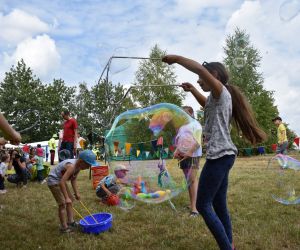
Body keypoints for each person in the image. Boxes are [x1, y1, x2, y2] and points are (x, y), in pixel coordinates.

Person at [162, 55, 266, 250]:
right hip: (224, 155)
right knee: (219, 204)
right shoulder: (215, 97)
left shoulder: (220, 90)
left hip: (219, 157)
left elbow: (200, 70)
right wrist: (192, 90)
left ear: (214, 75)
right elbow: (205, 105)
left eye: (201, 80)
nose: (199, 81)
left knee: (202, 205)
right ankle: (230, 245)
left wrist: (175, 58)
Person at [47, 150, 99, 233]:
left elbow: (73, 179)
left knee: (71, 200)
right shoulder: (71, 166)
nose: (88, 167)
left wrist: (76, 193)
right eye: (88, 165)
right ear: (81, 162)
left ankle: (70, 222)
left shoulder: (78, 167)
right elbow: (62, 182)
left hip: (60, 180)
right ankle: (64, 228)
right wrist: (66, 197)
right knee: (63, 203)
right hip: (54, 180)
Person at [177, 106, 202, 217]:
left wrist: (190, 152)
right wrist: (177, 150)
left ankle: (195, 209)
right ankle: (193, 203)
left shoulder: (196, 125)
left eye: (184, 113)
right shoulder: (182, 127)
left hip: (193, 155)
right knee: (188, 181)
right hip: (183, 156)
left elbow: (198, 142)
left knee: (192, 180)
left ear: (191, 113)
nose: (182, 115)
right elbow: (180, 140)